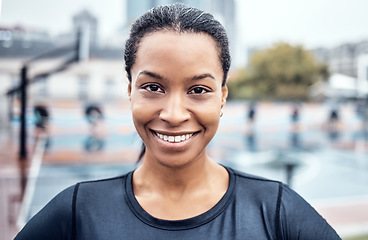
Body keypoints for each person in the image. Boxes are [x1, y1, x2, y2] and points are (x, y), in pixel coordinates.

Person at [15, 3, 341, 239]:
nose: (173, 115)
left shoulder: (275, 212)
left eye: (198, 89)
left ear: (223, 96)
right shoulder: (78, 212)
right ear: (130, 91)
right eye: (153, 87)